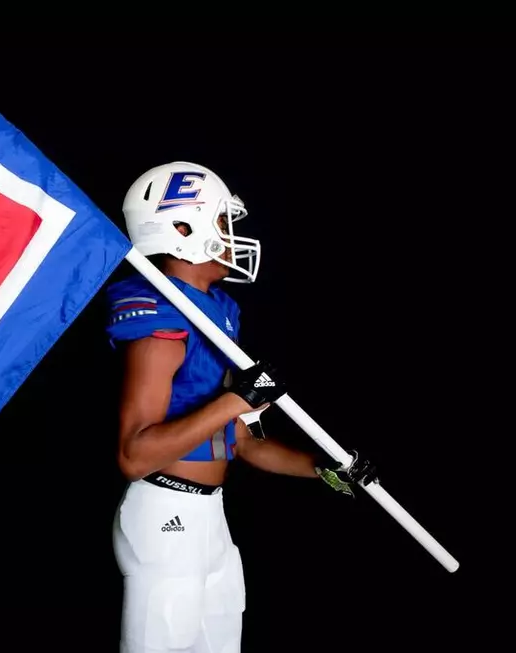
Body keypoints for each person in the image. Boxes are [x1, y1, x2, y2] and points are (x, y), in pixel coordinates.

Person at [105, 162, 377, 653]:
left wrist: (326, 470)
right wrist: (237, 398)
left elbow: (245, 443)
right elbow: (134, 455)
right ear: (183, 228)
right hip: (166, 512)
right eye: (224, 223)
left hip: (210, 517)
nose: (233, 237)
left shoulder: (219, 312)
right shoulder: (160, 318)